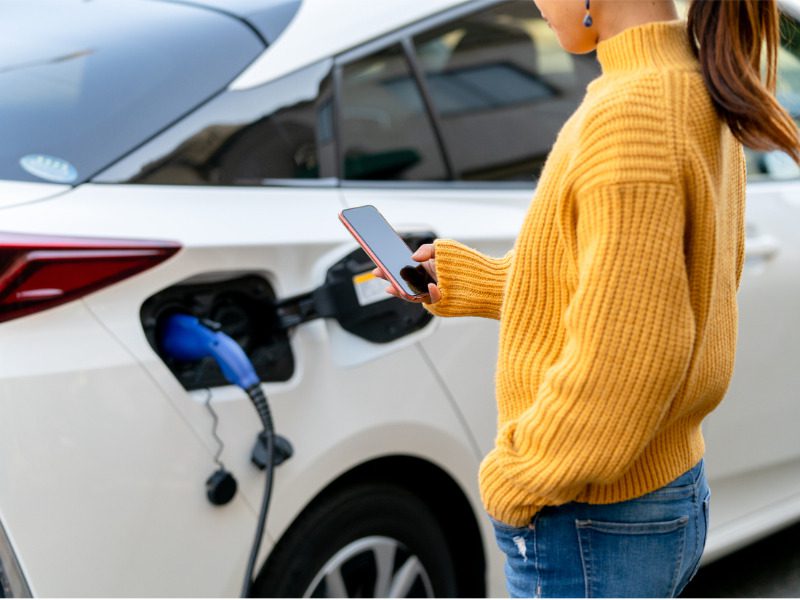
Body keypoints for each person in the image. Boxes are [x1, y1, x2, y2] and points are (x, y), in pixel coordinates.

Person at [373, 0, 800, 597]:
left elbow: (632, 355)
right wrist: (472, 279)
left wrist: (521, 477)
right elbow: (630, 288)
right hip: (650, 491)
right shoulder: (689, 79)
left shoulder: (633, 114)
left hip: (594, 515)